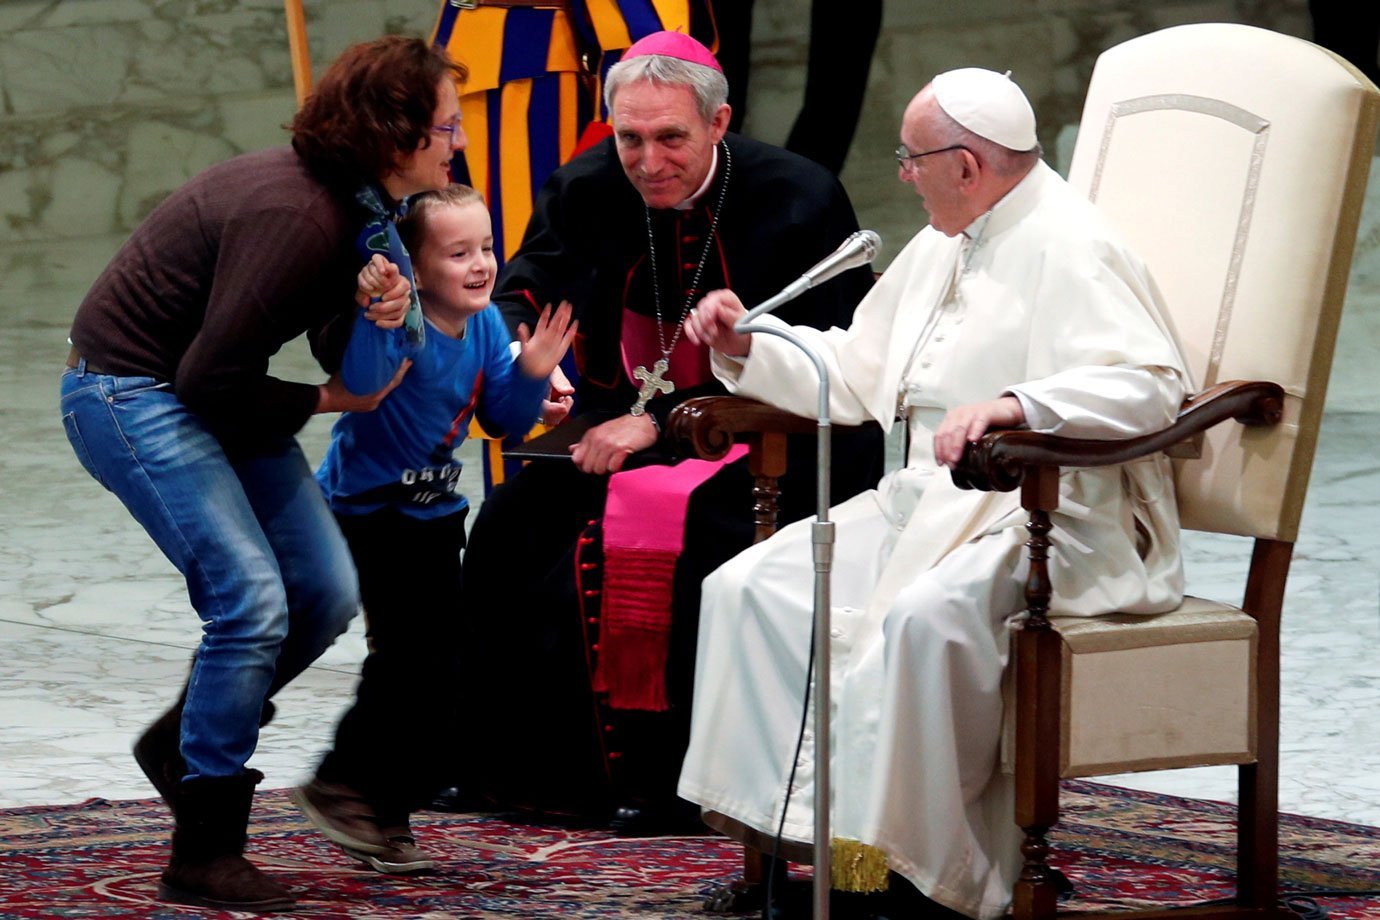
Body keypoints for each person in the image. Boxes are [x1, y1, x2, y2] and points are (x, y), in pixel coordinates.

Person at [679, 69, 1191, 918]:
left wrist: (1019, 405)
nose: (904, 176)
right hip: (926, 501)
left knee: (921, 621)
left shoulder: (1074, 243)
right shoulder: (948, 239)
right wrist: (749, 342)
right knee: (753, 588)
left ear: (967, 163)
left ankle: (914, 881)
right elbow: (854, 372)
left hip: (1046, 516)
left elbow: (1150, 387)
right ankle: (781, 851)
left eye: (914, 160)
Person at [58, 36, 465, 912]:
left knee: (322, 590)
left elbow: (310, 330)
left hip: (207, 388)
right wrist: (327, 400)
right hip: (129, 391)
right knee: (251, 599)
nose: (457, 143)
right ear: (394, 135)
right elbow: (211, 379)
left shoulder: (363, 205)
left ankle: (184, 741)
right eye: (446, 126)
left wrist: (374, 311)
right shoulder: (298, 212)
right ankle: (204, 849)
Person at [458, 30, 884, 834]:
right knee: (511, 527)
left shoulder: (800, 195)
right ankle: (514, 773)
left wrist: (658, 423)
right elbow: (523, 288)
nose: (647, 161)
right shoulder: (588, 186)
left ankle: (672, 784)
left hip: (773, 440)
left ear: (720, 123)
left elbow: (839, 364)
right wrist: (524, 353)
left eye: (670, 138)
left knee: (685, 544)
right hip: (624, 428)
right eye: (630, 138)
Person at [296, 185, 575, 876]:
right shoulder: (403, 322)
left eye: (487, 247)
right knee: (408, 657)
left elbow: (504, 423)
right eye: (458, 254)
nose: (482, 265)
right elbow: (360, 382)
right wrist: (377, 313)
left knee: (442, 664)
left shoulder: (483, 327)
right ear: (416, 271)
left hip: (433, 511)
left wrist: (534, 372)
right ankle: (340, 781)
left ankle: (384, 812)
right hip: (370, 510)